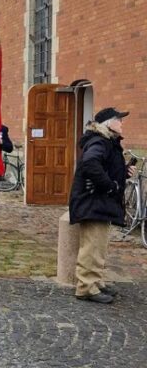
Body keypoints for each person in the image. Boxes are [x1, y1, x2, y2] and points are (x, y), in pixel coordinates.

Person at [68, 107, 134, 304]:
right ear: (108, 124)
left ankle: (95, 281)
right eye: (118, 119)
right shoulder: (100, 141)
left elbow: (104, 166)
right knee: (92, 246)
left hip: (99, 203)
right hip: (93, 202)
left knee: (99, 246)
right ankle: (86, 287)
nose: (122, 123)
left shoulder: (108, 142)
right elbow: (90, 164)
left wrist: (122, 172)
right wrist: (110, 186)